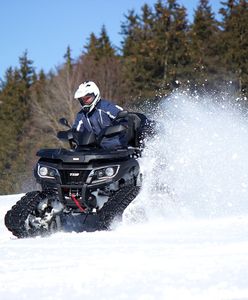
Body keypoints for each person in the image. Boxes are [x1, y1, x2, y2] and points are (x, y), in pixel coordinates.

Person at [73, 81, 127, 149]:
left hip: (116, 147)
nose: (85, 102)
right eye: (83, 100)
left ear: (95, 95)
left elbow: (123, 116)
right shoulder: (81, 115)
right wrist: (71, 134)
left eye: (87, 98)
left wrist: (121, 125)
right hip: (94, 150)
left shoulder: (106, 107)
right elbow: (77, 130)